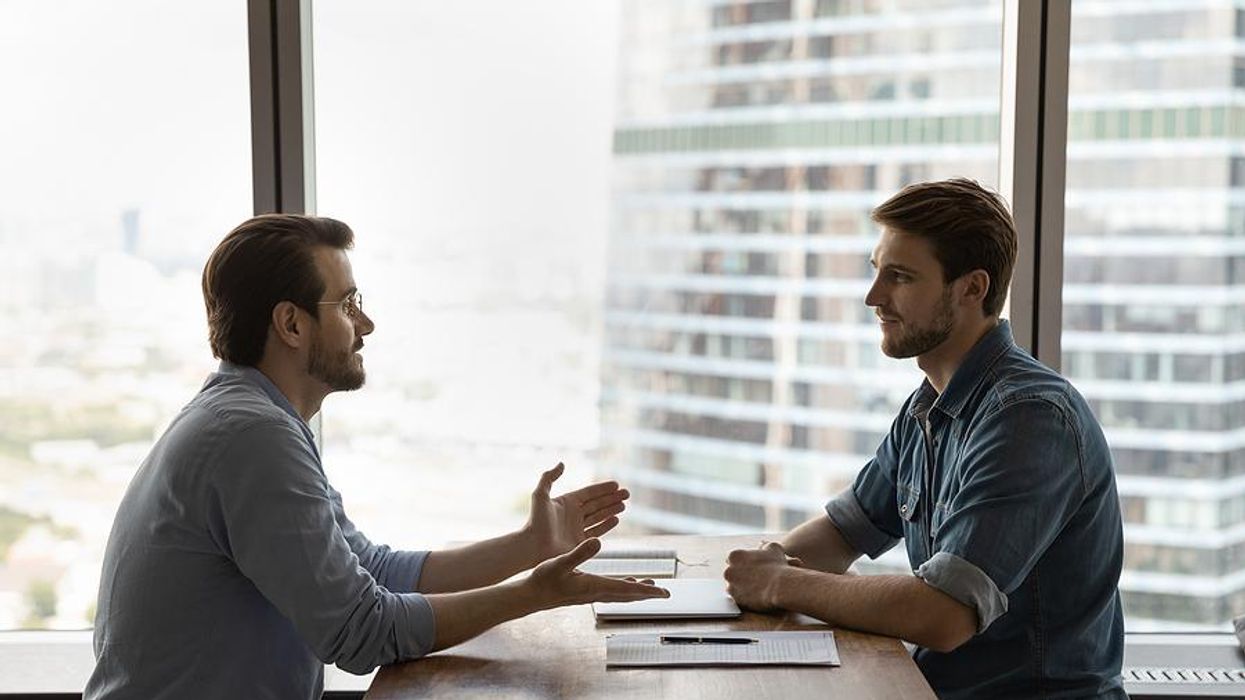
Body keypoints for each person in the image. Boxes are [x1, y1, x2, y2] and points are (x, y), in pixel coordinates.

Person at [85, 214, 667, 699]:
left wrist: (527, 548)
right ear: (291, 323)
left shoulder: (252, 421)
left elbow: (375, 572)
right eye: (348, 303)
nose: (366, 324)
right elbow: (362, 633)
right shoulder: (251, 438)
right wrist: (532, 595)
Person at [723, 179, 1125, 698]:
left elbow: (944, 614)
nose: (874, 298)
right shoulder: (928, 407)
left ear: (971, 288)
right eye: (876, 272)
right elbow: (844, 532)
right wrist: (747, 575)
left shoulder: (1028, 418)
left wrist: (779, 582)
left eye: (901, 277)